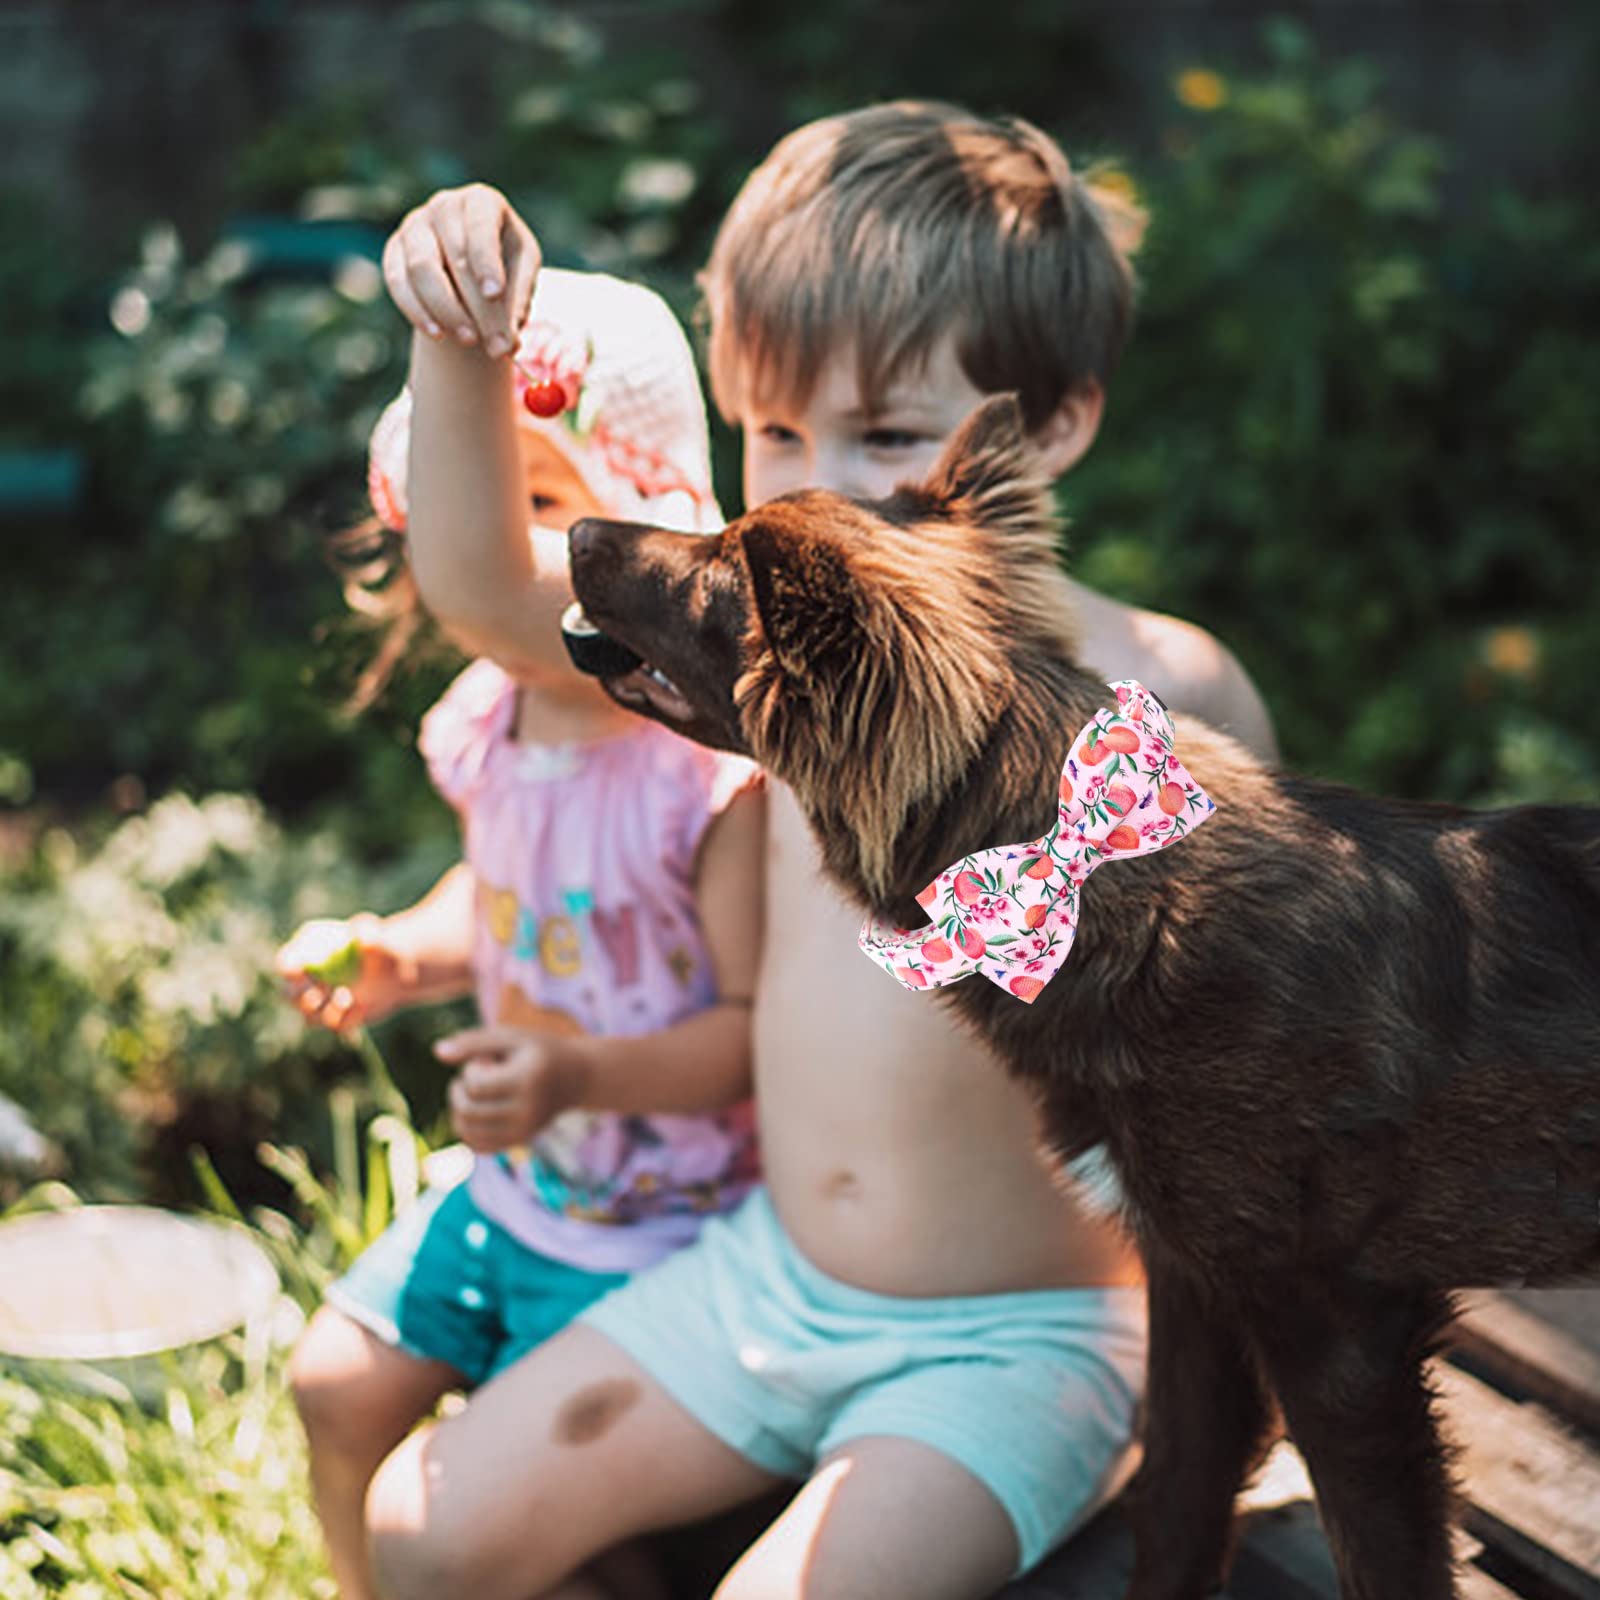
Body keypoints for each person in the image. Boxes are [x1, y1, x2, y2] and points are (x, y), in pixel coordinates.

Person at [362, 101, 1280, 1600]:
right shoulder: (738, 631)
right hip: (770, 1278)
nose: (819, 482)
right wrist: (460, 343)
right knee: (424, 1532)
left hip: (1021, 1338)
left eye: (893, 434)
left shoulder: (1160, 698)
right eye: (778, 429)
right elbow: (477, 589)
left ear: (1053, 423)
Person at [277, 266, 766, 1600]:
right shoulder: (486, 720)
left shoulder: (699, 780)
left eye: (542, 506)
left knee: (596, 1561)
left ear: (649, 517)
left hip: (666, 1229)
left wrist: (576, 1076)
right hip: (522, 1191)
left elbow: (745, 1037)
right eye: (478, 513)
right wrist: (404, 952)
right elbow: (498, 896)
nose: (503, 550)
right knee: (333, 1387)